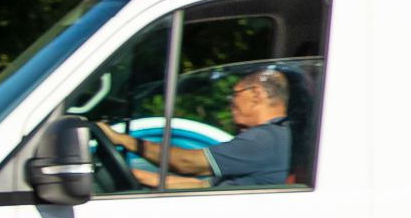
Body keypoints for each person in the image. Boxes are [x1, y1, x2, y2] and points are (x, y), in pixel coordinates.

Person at [97, 67, 294, 191]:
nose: (230, 104)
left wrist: (122, 139)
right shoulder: (276, 136)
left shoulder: (267, 138)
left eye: (234, 95)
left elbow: (186, 163)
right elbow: (202, 185)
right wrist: (135, 175)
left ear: (256, 94)